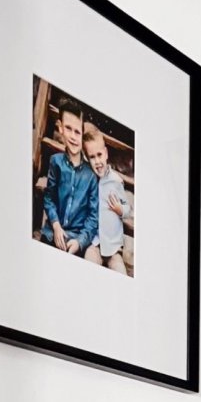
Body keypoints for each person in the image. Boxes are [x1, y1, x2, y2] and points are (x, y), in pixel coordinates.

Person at [41, 97, 98, 256]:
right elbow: (49, 197)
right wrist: (56, 225)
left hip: (75, 241)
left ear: (82, 134)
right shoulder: (56, 162)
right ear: (60, 128)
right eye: (68, 128)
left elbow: (93, 218)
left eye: (77, 132)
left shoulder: (91, 176)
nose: (73, 136)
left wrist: (80, 242)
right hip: (52, 233)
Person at [82, 124, 130, 276]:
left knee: (120, 272)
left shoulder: (116, 181)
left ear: (106, 153)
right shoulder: (89, 180)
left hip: (113, 248)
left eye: (99, 155)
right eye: (92, 157)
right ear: (87, 158)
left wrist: (119, 209)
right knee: (89, 264)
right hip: (94, 243)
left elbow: (127, 209)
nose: (97, 161)